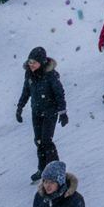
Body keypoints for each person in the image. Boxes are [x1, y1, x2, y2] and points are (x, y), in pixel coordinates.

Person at [16, 46, 68, 182]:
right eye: (29, 62)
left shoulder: (50, 75)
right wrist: (19, 107)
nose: (31, 65)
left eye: (34, 62)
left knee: (46, 141)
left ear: (41, 62)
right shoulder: (29, 74)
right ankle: (42, 169)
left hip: (50, 112)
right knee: (38, 141)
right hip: (36, 112)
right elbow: (26, 92)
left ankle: (56, 171)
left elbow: (59, 94)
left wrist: (63, 112)